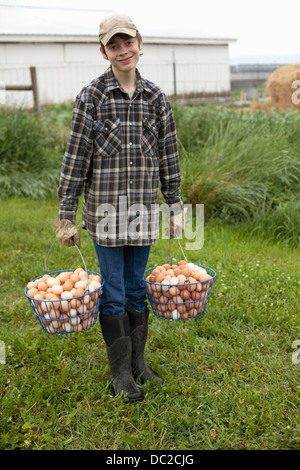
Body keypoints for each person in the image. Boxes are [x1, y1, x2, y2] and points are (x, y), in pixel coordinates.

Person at [53, 13, 184, 402]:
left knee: (135, 292)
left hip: (142, 214)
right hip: (105, 217)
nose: (123, 50)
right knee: (111, 295)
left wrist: (175, 205)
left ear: (140, 43)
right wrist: (66, 213)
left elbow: (168, 155)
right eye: (114, 45)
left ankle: (139, 363)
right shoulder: (92, 97)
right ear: (104, 51)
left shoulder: (156, 98)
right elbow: (75, 158)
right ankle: (120, 374)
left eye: (128, 42)